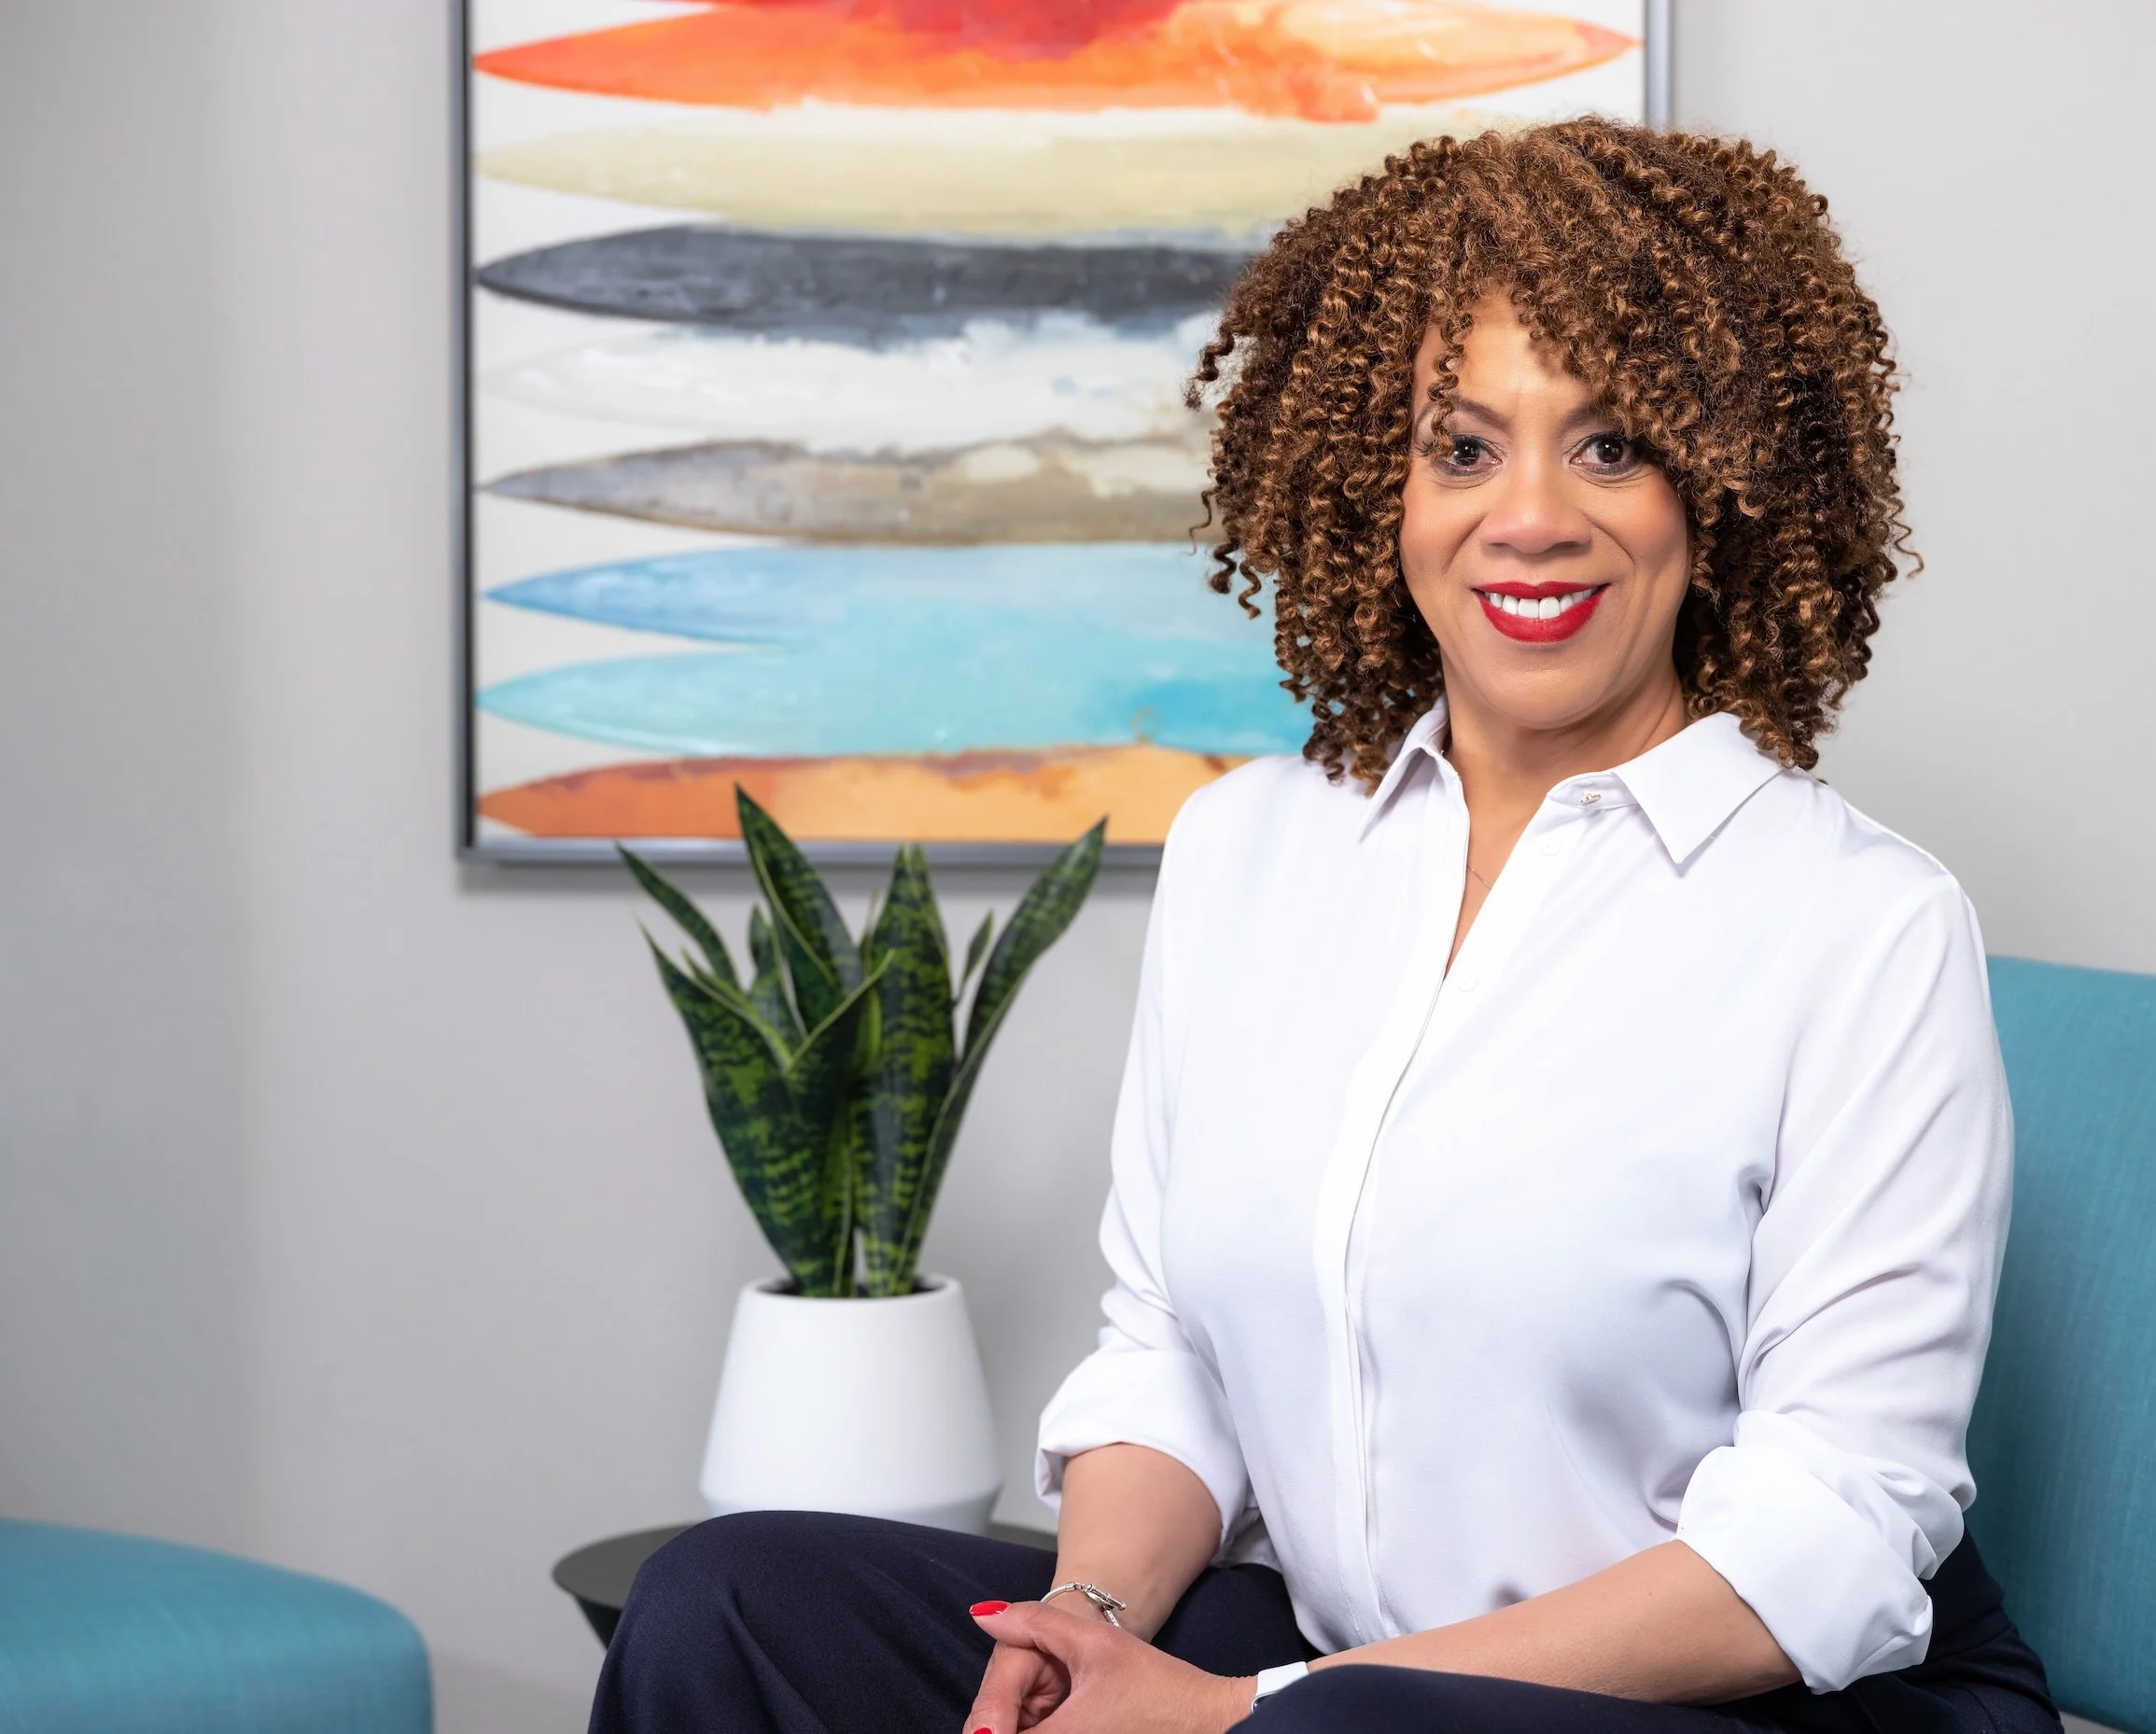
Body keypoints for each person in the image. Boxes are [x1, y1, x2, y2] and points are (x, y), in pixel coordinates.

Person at [588, 119, 2061, 1734]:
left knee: (1331, 1732)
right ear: (1385, 484)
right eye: (1465, 446)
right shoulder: (1248, 853)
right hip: (1336, 1669)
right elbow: (1172, 1356)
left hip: (1745, 1701)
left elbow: (1826, 1544)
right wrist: (1082, 1625)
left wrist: (1256, 1703)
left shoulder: (1862, 925)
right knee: (721, 1603)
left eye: (1612, 446)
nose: (1531, 518)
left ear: (1719, 489)